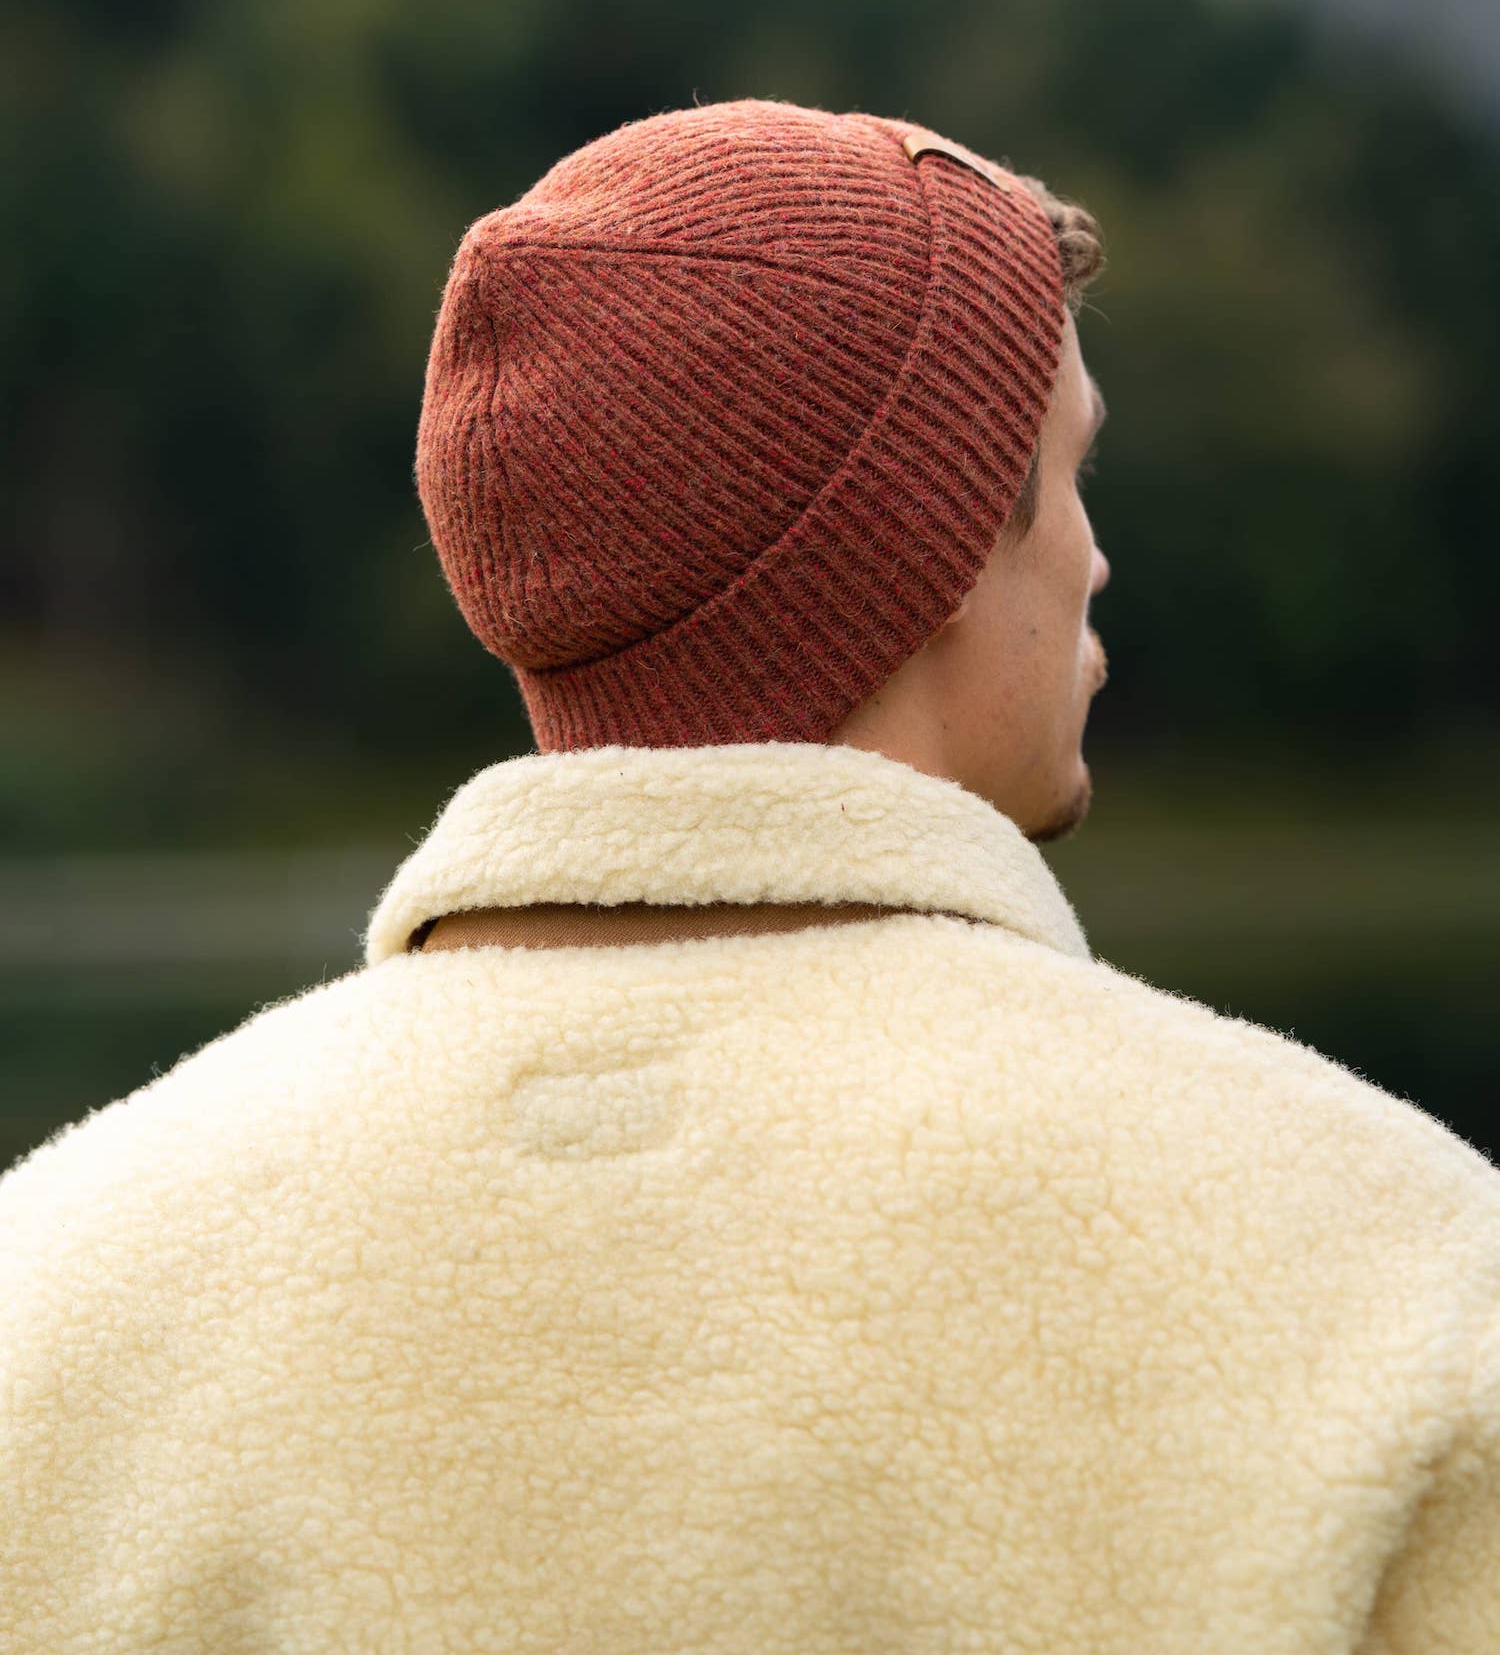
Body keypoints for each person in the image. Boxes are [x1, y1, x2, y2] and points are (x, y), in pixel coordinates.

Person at [1, 96, 1495, 1652]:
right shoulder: (1393, 1273)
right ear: (931, 539)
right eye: (1069, 473)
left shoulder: (49, 1291)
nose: (1094, 556)